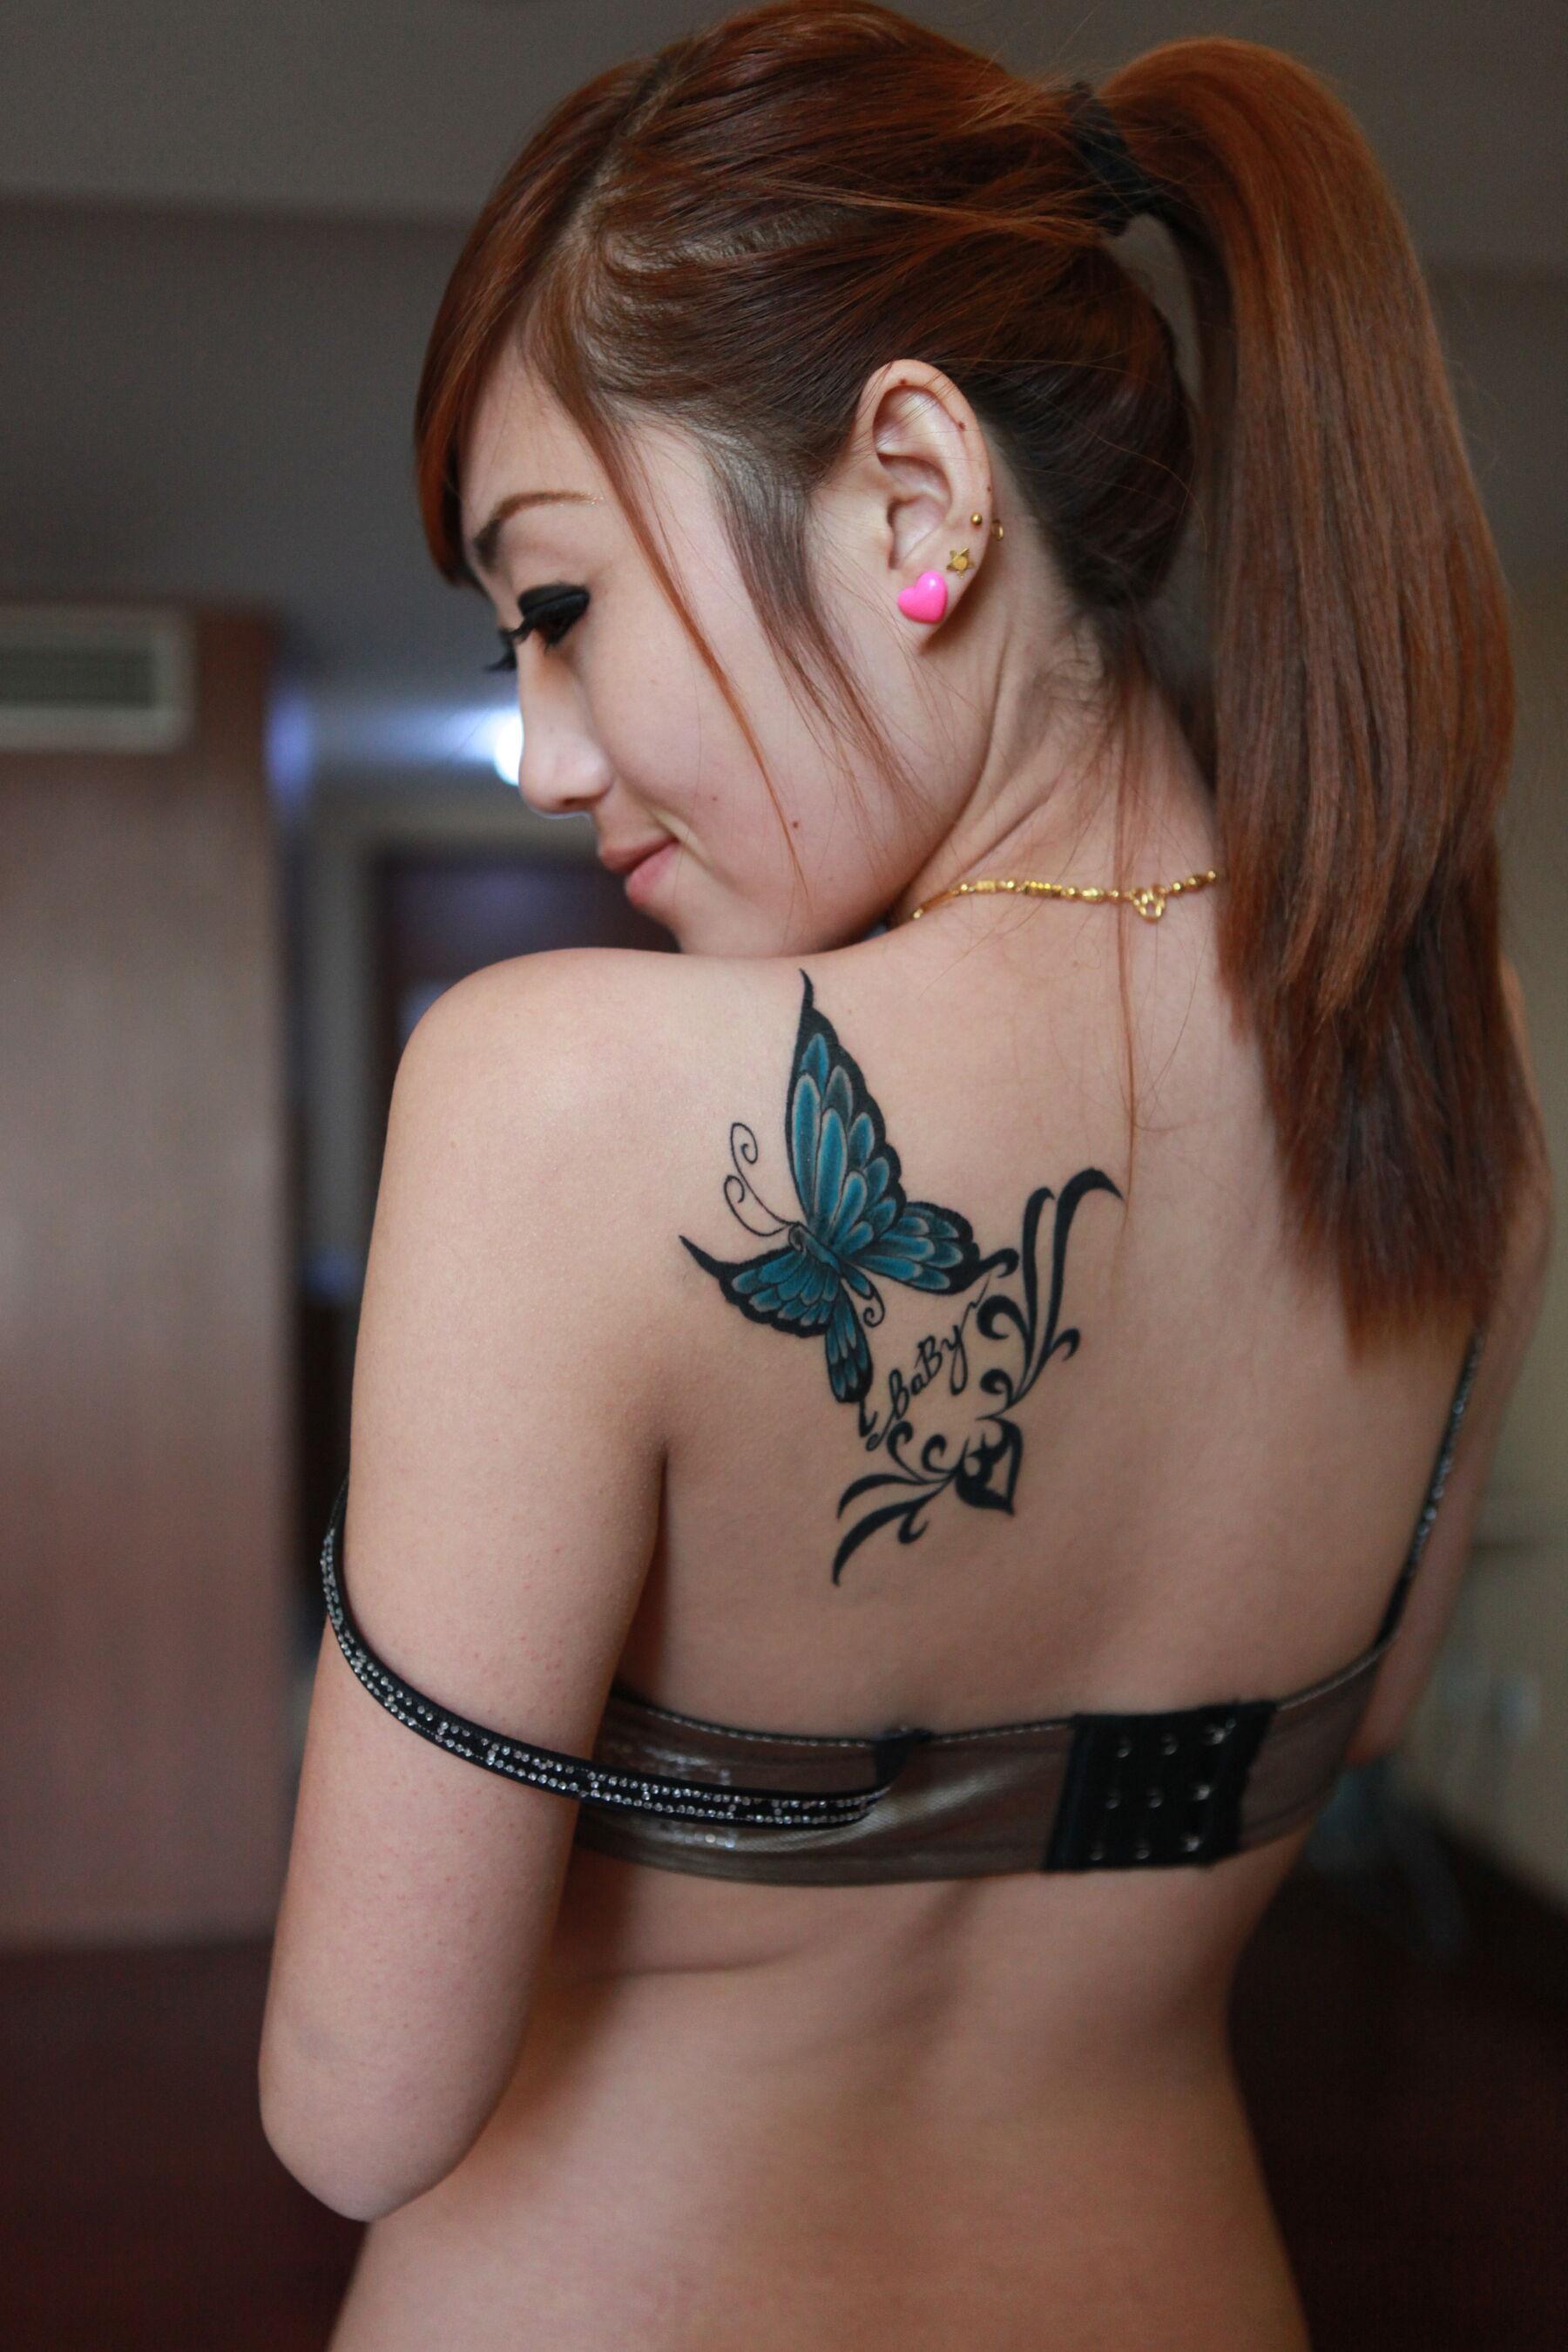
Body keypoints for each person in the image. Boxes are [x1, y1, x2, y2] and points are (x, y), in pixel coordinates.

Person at [259, 5, 1553, 2344]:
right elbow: (1355, 1726)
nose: (542, 753)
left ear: (920, 500)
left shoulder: (555, 1103)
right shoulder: (1460, 1062)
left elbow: (363, 2106)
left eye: (559, 607)